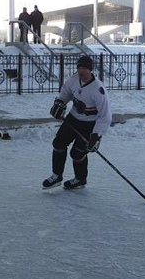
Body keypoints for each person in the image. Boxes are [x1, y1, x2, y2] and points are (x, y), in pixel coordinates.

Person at [42, 55, 112, 190]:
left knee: (77, 153)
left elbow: (105, 115)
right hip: (73, 119)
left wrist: (96, 135)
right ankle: (56, 176)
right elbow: (66, 92)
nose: (82, 71)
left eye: (85, 68)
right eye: (79, 68)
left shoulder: (98, 90)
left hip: (89, 125)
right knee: (58, 143)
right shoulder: (74, 80)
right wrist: (60, 103)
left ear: (91, 70)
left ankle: (80, 179)